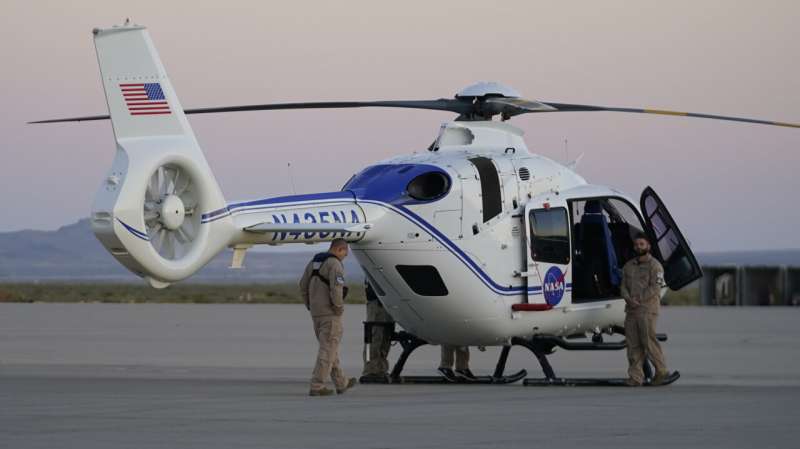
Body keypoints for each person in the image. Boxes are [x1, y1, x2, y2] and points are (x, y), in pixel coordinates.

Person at [299, 238, 357, 396]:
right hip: (330, 313)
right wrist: (338, 307)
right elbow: (337, 288)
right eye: (345, 253)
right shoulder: (335, 264)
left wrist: (309, 304)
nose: (345, 256)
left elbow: (302, 285)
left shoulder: (314, 262)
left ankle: (341, 382)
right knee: (327, 350)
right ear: (340, 249)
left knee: (330, 348)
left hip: (316, 313)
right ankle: (317, 386)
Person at [620, 232, 670, 386]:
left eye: (642, 244)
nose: (638, 247)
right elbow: (623, 287)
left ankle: (661, 372)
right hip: (631, 310)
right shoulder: (628, 266)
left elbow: (656, 287)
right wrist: (628, 298)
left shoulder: (656, 266)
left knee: (648, 341)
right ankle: (635, 377)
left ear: (648, 246)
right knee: (633, 344)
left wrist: (639, 299)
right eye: (636, 244)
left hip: (647, 310)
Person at [361, 280, 395, 381]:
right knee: (374, 337)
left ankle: (380, 368)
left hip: (387, 303)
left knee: (386, 338)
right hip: (376, 303)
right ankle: (370, 369)